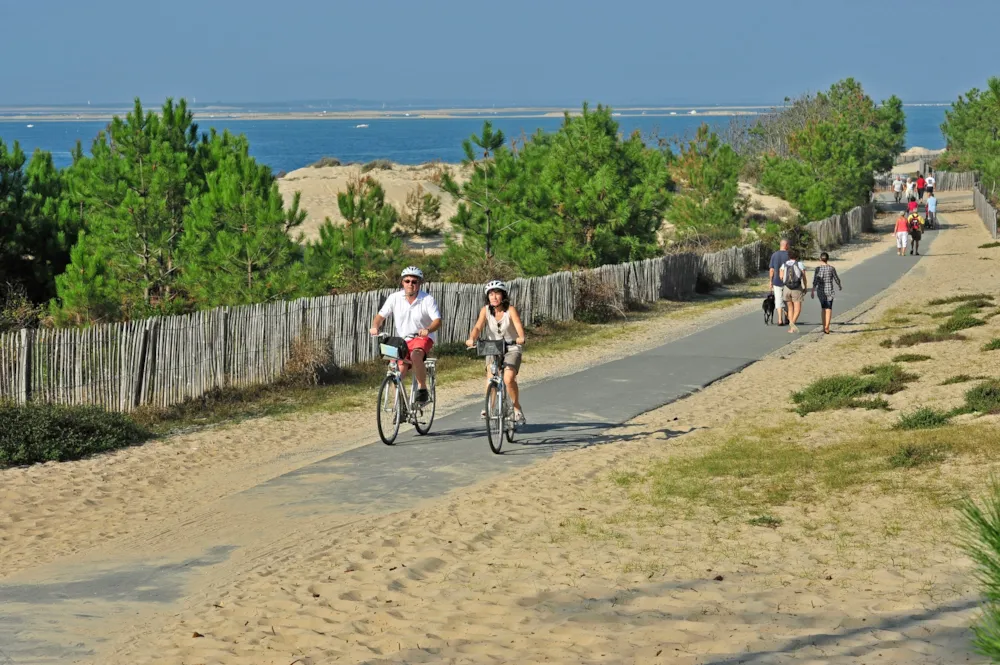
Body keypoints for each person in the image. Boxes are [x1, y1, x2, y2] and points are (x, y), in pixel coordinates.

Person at [369, 266, 441, 405]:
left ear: (420, 283)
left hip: (422, 338)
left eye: (414, 281)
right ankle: (401, 404)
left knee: (415, 355)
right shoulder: (394, 297)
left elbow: (437, 321)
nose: (410, 284)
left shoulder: (427, 299)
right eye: (407, 281)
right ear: (402, 282)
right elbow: (380, 316)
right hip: (403, 340)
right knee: (397, 371)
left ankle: (422, 389)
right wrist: (375, 326)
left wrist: (428, 329)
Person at [466, 280, 527, 424]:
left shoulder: (510, 310)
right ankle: (490, 407)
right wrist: (471, 338)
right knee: (491, 376)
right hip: (493, 347)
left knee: (508, 379)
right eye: (491, 294)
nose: (494, 297)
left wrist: (521, 337)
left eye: (497, 294)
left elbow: (518, 324)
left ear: (503, 296)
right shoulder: (485, 310)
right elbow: (478, 327)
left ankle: (517, 408)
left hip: (511, 347)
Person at [811, 252, 842, 335]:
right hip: (829, 290)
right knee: (829, 308)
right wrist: (839, 285)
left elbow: (815, 280)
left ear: (820, 259)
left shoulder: (818, 269)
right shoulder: (831, 268)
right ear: (827, 259)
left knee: (823, 308)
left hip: (821, 291)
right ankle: (827, 326)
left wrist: (813, 290)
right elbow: (836, 278)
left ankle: (824, 325)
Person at [780, 249, 807, 334]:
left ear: (789, 256)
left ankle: (791, 325)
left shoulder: (784, 264)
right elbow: (804, 277)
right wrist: (805, 287)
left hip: (787, 288)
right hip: (796, 288)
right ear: (797, 256)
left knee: (790, 308)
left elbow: (781, 277)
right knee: (797, 308)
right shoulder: (799, 264)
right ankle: (792, 323)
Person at [768, 239, 790, 326]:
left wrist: (770, 281)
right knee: (787, 299)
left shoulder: (774, 255)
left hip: (776, 280)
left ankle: (780, 319)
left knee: (778, 299)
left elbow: (771, 269)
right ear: (786, 245)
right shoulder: (789, 255)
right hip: (787, 281)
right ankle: (787, 318)